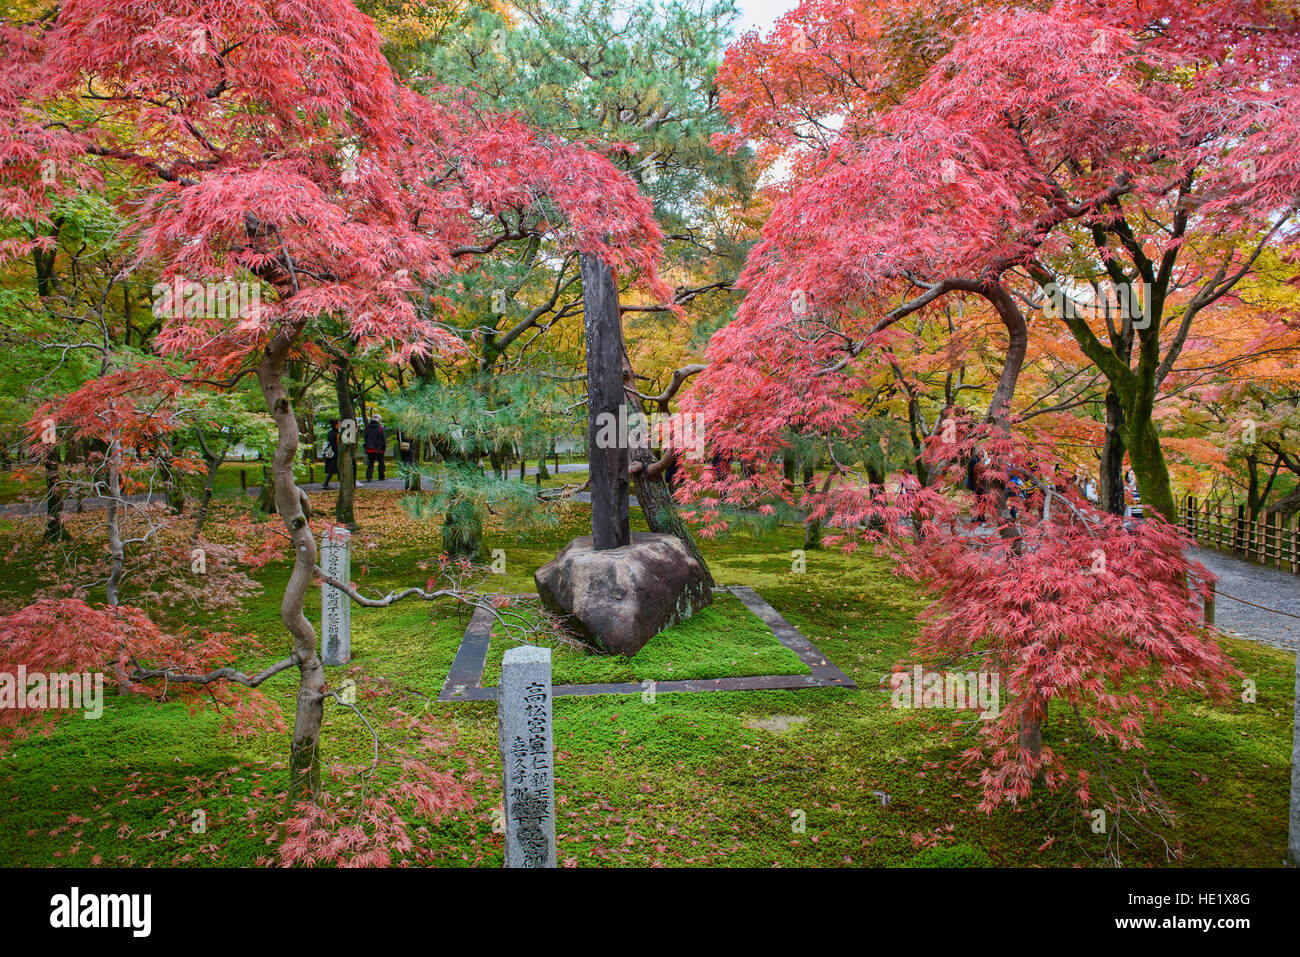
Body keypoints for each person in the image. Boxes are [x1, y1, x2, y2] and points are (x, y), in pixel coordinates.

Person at [363, 413, 386, 482]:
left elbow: (365, 438)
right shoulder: (381, 428)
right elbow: (383, 439)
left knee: (370, 463)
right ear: (379, 420)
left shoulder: (367, 427)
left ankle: (369, 476)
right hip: (379, 449)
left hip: (370, 449)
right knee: (381, 463)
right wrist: (384, 448)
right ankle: (381, 476)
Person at [321, 418, 339, 491]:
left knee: (333, 470)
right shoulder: (337, 434)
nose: (339, 424)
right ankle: (326, 483)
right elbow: (337, 444)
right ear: (336, 425)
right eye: (338, 423)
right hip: (335, 453)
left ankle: (326, 483)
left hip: (330, 453)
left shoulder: (330, 433)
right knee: (335, 469)